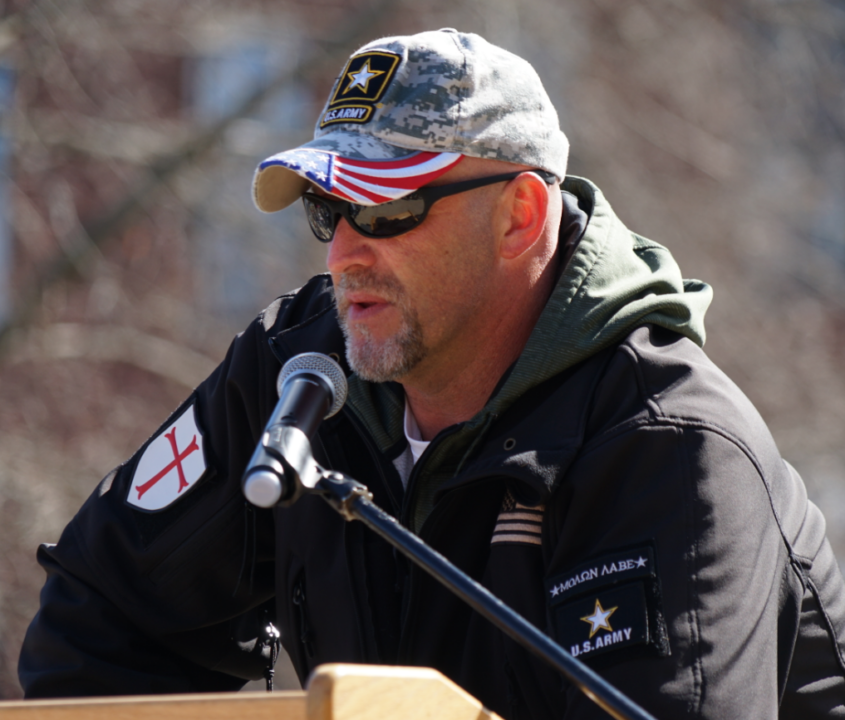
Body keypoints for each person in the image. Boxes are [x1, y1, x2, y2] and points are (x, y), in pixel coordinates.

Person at [18, 28, 845, 719]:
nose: (344, 253)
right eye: (327, 209)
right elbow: (95, 627)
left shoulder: (669, 447)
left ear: (518, 216)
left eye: (385, 210)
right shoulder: (296, 375)